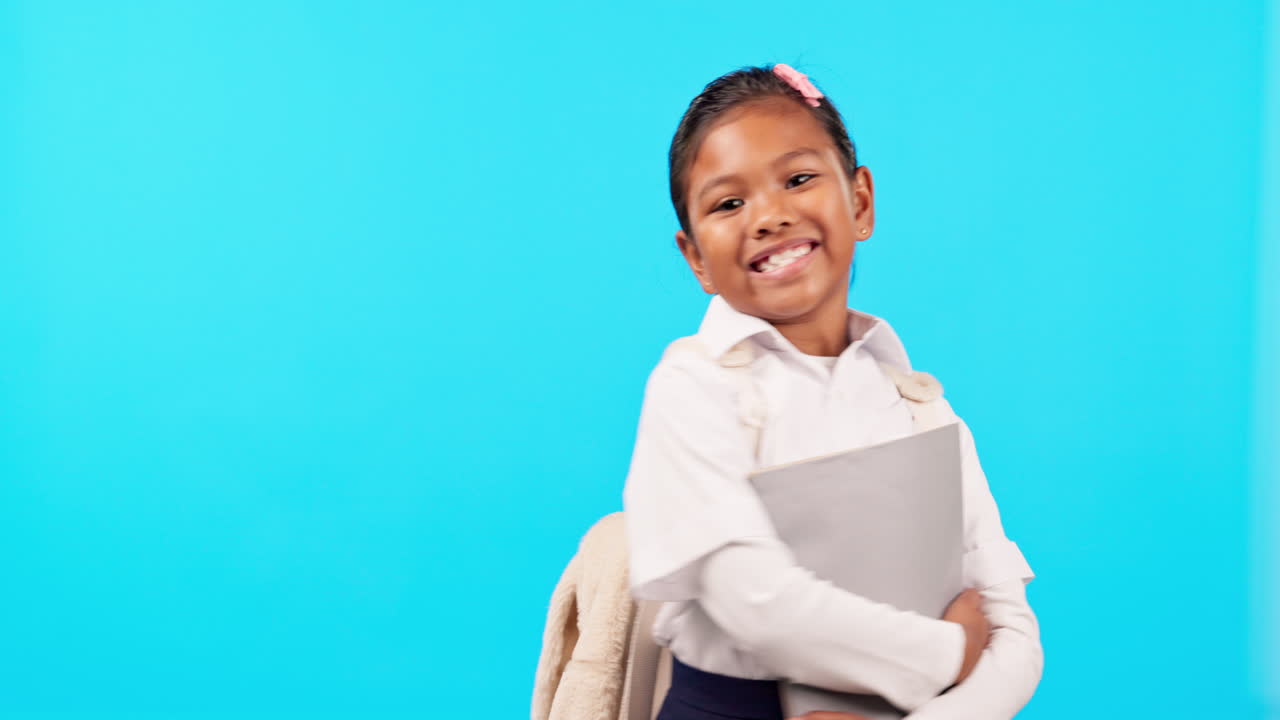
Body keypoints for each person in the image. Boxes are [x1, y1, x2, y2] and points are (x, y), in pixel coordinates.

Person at [622, 64, 1043, 720]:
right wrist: (947, 652)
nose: (769, 215)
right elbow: (752, 602)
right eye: (728, 203)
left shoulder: (920, 405)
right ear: (696, 257)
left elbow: (1009, 623)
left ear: (861, 202)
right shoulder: (693, 387)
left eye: (798, 179)